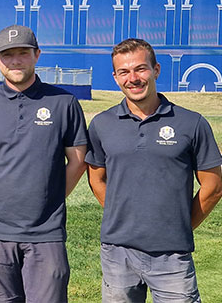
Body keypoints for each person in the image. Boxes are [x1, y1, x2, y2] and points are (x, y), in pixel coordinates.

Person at [85, 38, 222, 303]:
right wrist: (122, 216)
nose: (133, 78)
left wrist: (179, 226)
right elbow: (96, 179)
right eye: (124, 72)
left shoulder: (191, 123)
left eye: (140, 69)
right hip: (117, 253)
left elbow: (214, 187)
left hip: (172, 255)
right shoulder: (102, 124)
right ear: (115, 77)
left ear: (156, 70)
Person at [0, 24, 88, 303]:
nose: (16, 60)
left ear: (37, 55)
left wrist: (50, 197)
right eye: (8, 54)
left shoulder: (63, 102)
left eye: (23, 52)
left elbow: (78, 161)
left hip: (45, 232)